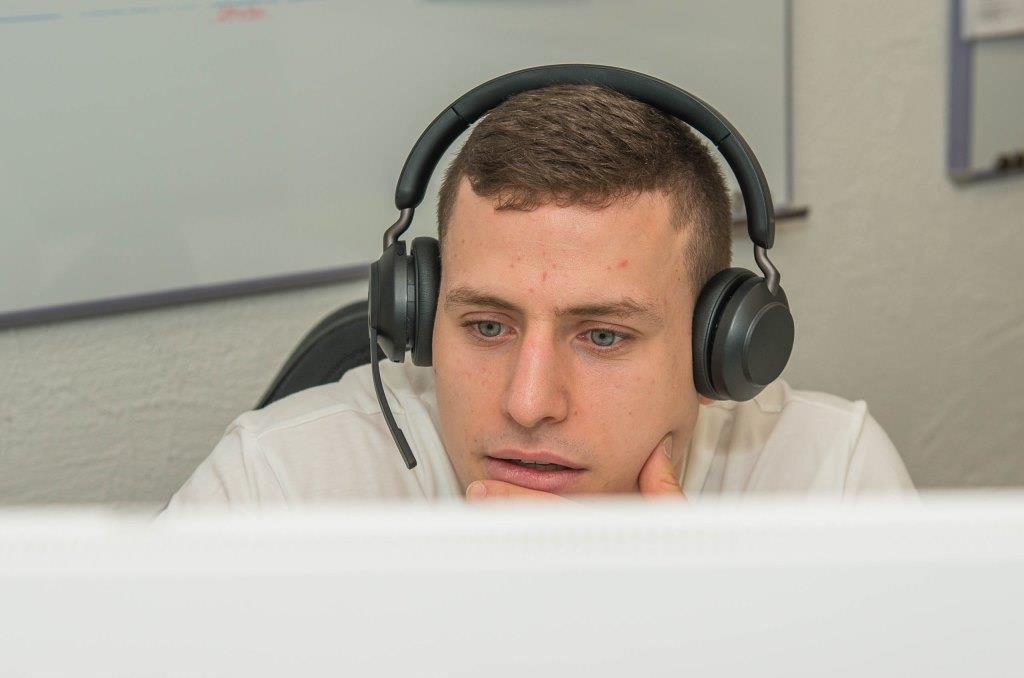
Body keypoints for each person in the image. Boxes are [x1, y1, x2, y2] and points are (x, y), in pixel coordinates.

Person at [163, 84, 912, 511]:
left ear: (718, 354)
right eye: (487, 326)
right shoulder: (281, 486)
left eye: (603, 336)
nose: (528, 404)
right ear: (419, 317)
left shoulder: (829, 479)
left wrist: (679, 623)